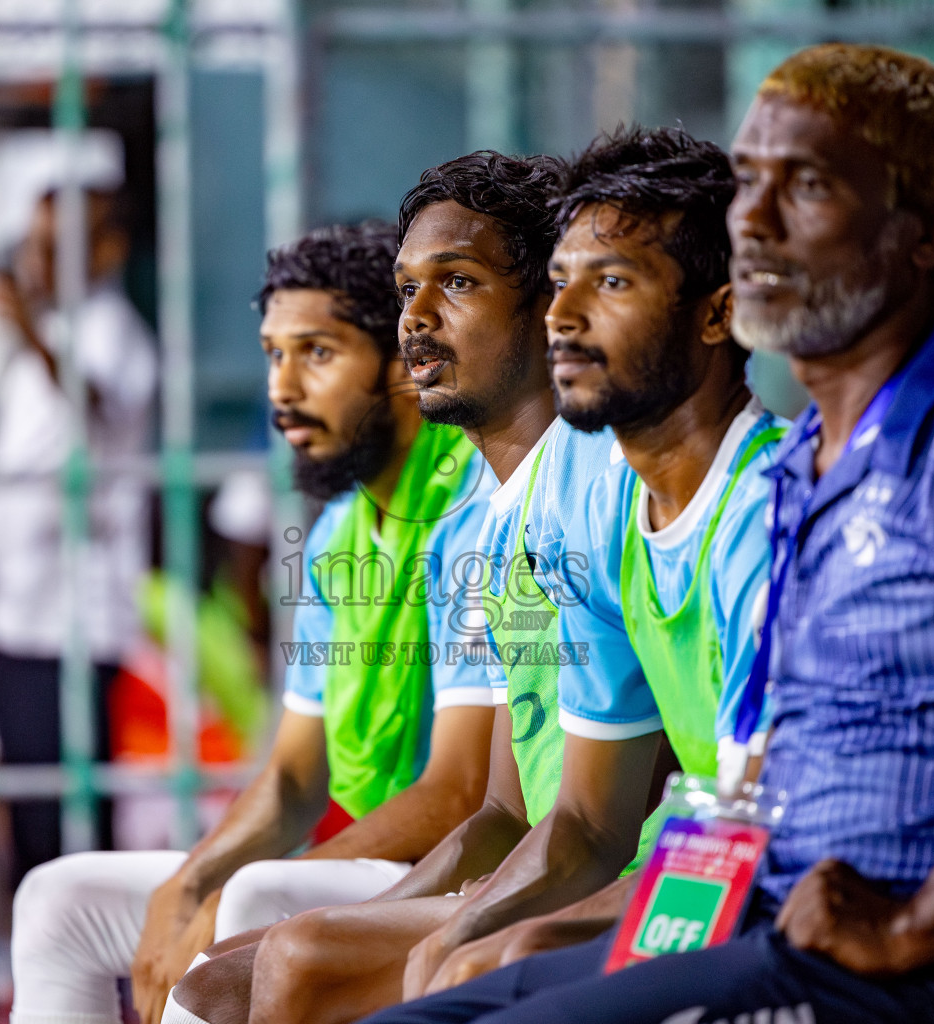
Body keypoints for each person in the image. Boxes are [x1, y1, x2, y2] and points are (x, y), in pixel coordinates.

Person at [354, 42, 934, 1024]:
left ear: (930, 227)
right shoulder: (808, 470)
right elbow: (743, 800)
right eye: (748, 183)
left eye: (802, 187)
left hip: (927, 979)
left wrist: (918, 921)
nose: (752, 219)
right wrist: (598, 928)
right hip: (765, 931)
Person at [162, 149, 620, 1024]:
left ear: (547, 304)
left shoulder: (596, 489)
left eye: (456, 283)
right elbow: (499, 804)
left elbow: (576, 819)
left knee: (280, 943)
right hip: (523, 863)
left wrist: (432, 925)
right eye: (408, 289)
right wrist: (378, 915)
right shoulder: (481, 529)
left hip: (629, 880)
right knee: (222, 959)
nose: (417, 318)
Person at [7, 221, 498, 1024]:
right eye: (274, 354)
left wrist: (233, 891)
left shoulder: (475, 509)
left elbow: (457, 796)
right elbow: (295, 778)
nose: (283, 388)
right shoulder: (336, 530)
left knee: (263, 897)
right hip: (364, 867)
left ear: (405, 369)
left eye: (319, 353)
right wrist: (191, 882)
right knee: (58, 899)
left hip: (456, 873)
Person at [394, 125, 787, 1002]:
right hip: (710, 892)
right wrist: (476, 936)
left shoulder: (772, 512)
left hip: (784, 922)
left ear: (719, 313)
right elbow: (580, 822)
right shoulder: (613, 515)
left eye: (609, 282)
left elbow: (749, 836)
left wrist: (529, 944)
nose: (563, 316)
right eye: (560, 282)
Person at [0, 188, 157, 888]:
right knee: (30, 803)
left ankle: (92, 958)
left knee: (70, 810)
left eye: (56, 248)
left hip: (71, 615)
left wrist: (29, 331)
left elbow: (91, 400)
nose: (35, 262)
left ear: (107, 250)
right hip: (16, 609)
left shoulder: (112, 330)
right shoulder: (52, 332)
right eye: (33, 244)